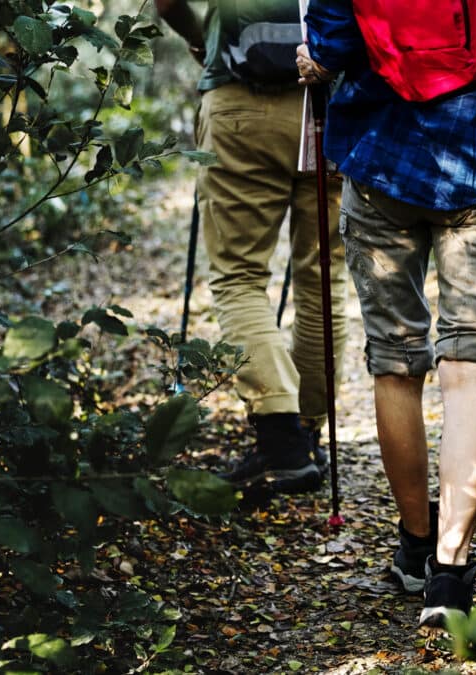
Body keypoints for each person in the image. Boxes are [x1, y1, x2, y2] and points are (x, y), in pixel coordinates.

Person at [297, 0, 476, 628]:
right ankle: (450, 571)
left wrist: (314, 62)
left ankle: (415, 544)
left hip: (381, 162)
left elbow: (330, 45)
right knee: (470, 365)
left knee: (395, 361)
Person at [156, 0, 347, 493]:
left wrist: (200, 39)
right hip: (334, 102)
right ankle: (307, 431)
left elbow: (167, 2)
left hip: (242, 99)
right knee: (323, 274)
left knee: (238, 275)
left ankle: (281, 440)